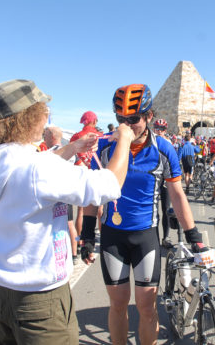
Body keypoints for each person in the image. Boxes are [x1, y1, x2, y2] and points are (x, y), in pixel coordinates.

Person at [0, 79, 134, 344]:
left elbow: (26, 167)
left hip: (5, 295)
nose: (47, 117)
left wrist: (70, 149)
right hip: (42, 304)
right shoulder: (38, 170)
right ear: (29, 117)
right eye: (43, 111)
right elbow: (109, 185)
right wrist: (125, 141)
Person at [83, 84, 208, 345]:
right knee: (117, 305)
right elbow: (92, 195)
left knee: (147, 307)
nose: (126, 126)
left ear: (149, 116)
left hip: (145, 237)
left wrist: (193, 235)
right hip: (112, 236)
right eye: (121, 120)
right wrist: (85, 235)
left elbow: (177, 195)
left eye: (133, 119)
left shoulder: (164, 149)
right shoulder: (106, 149)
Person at [44, 125, 80, 264]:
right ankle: (74, 252)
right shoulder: (71, 152)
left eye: (46, 135)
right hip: (67, 192)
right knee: (70, 224)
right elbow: (79, 166)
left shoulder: (51, 153)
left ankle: (68, 253)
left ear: (52, 137)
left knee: (65, 224)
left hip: (56, 194)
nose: (44, 138)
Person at [70, 111, 103, 253]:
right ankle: (102, 237)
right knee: (100, 209)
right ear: (94, 121)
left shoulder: (76, 136)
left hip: (81, 175)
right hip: (96, 174)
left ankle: (80, 240)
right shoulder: (100, 136)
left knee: (81, 210)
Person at [153, 118, 172, 248]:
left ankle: (166, 237)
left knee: (166, 209)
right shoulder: (150, 141)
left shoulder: (168, 143)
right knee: (153, 209)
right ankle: (154, 238)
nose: (159, 131)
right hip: (154, 178)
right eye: (157, 128)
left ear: (165, 130)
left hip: (165, 180)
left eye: (162, 129)